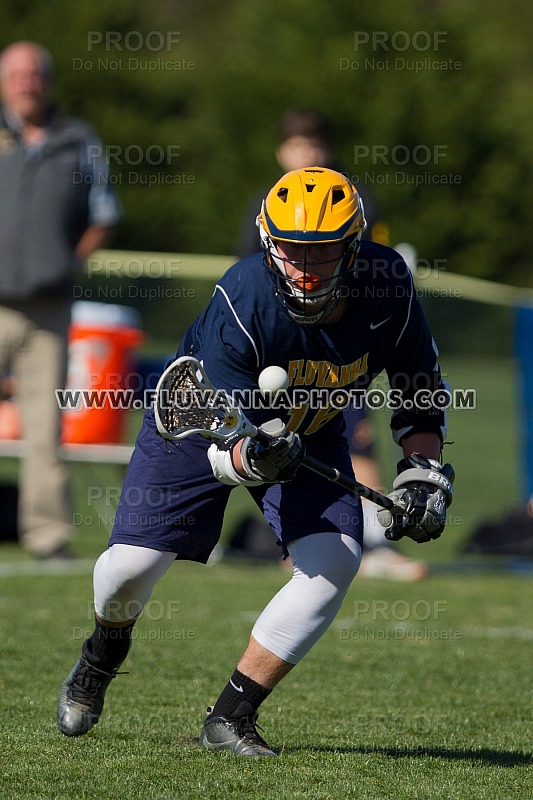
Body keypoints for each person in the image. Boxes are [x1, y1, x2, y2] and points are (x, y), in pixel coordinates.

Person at [57, 167, 454, 756]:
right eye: (292, 248)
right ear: (269, 240)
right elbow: (229, 445)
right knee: (130, 569)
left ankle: (231, 717)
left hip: (309, 429)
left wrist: (422, 478)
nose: (303, 265)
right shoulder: (244, 294)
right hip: (203, 419)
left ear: (354, 246)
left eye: (321, 252)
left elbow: (419, 391)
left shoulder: (387, 283)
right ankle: (103, 651)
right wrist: (251, 454)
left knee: (334, 562)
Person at [237, 109, 423, 579]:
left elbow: (377, 263)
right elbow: (249, 285)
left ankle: (377, 540)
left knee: (356, 435)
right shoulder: (263, 206)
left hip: (339, 347)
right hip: (280, 348)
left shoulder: (355, 202)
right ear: (282, 152)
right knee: (271, 439)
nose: (306, 155)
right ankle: (294, 538)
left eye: (314, 146)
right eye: (297, 146)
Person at [0, 41, 122, 559]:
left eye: (35, 74)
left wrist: (69, 261)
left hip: (49, 307)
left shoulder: (78, 140)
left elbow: (104, 211)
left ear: (48, 81)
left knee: (46, 429)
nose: (27, 82)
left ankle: (47, 536)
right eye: (16, 74)